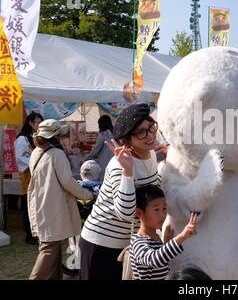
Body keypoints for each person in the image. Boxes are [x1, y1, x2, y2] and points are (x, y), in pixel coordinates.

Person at [79, 103, 160, 280]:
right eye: (141, 132)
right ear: (127, 139)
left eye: (151, 127)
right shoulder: (119, 165)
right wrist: (128, 172)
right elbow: (125, 213)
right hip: (101, 243)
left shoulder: (151, 154)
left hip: (128, 243)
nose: (150, 135)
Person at [27, 119, 94, 279]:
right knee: (49, 249)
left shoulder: (36, 151)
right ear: (56, 135)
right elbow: (68, 182)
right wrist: (88, 195)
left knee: (52, 248)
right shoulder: (56, 154)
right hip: (53, 207)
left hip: (40, 204)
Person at [130, 184, 196, 280]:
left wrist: (165, 244)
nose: (162, 215)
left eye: (164, 208)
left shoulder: (156, 237)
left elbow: (160, 262)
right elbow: (154, 260)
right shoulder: (138, 242)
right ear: (139, 213)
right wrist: (182, 237)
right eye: (156, 209)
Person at [13, 111, 43, 245]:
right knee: (28, 206)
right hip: (28, 178)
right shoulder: (22, 139)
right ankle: (29, 235)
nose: (40, 125)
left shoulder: (35, 137)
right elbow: (22, 158)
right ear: (30, 123)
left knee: (37, 207)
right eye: (38, 122)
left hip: (37, 177)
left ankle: (36, 233)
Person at [82, 115, 114, 180]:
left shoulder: (103, 134)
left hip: (105, 163)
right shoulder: (114, 133)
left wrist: (86, 157)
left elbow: (96, 149)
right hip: (114, 161)